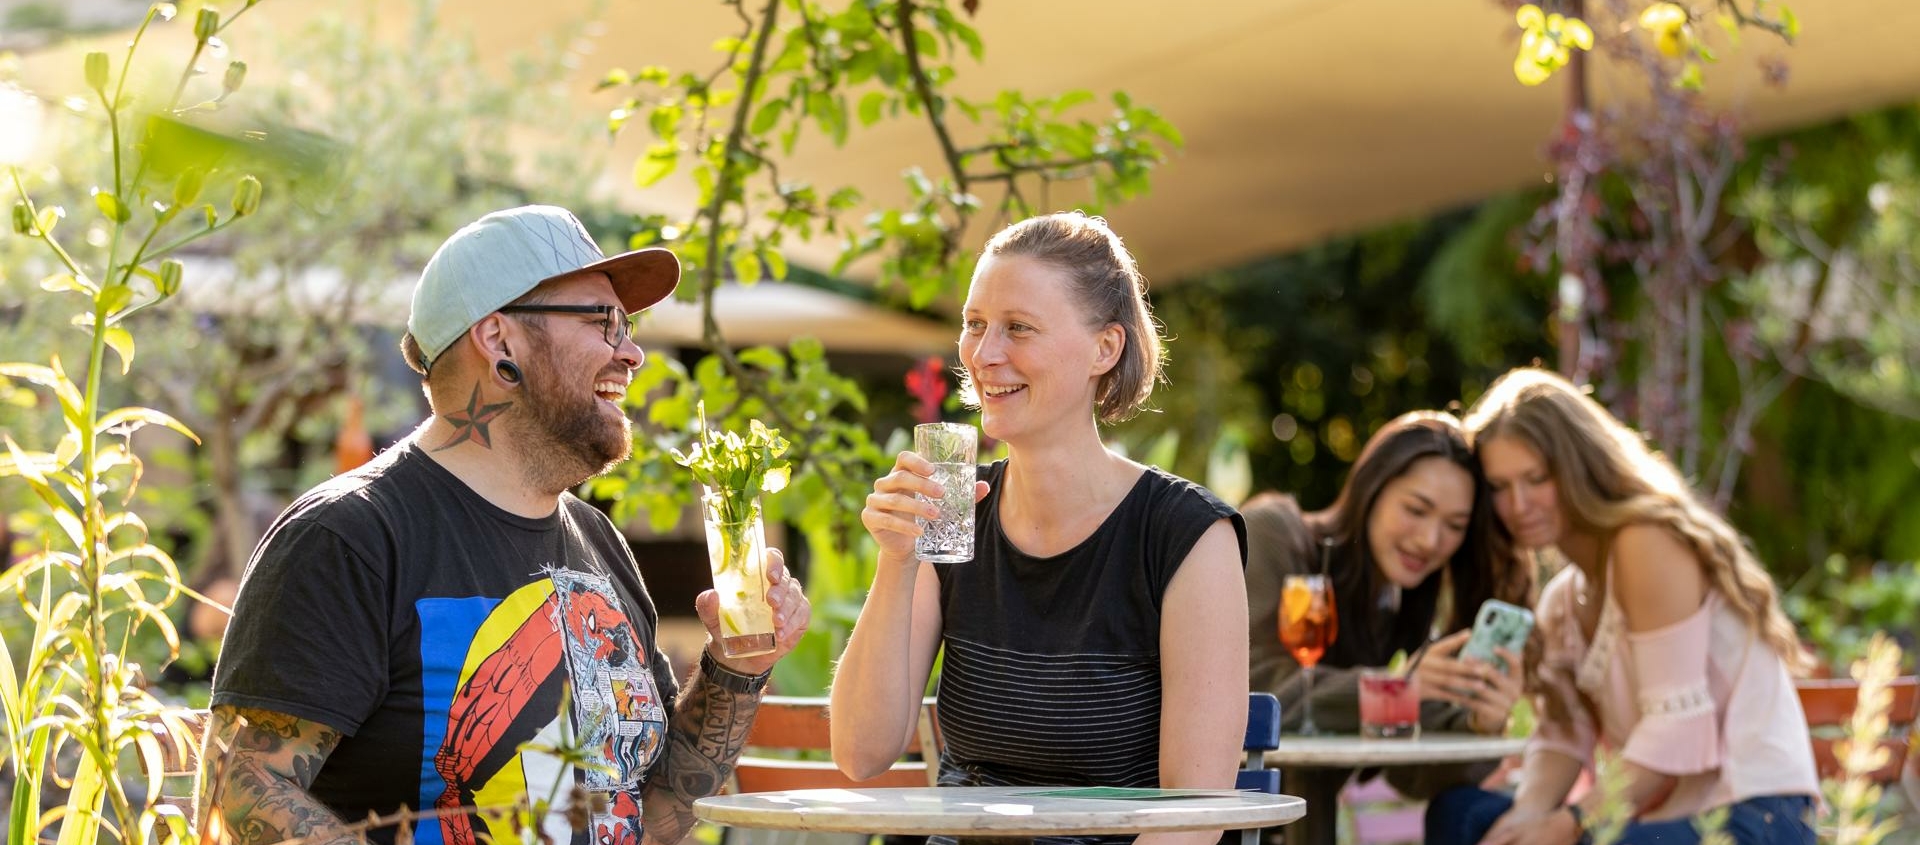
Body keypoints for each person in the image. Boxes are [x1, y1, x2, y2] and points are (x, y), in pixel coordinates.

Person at [202, 205, 811, 845]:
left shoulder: (599, 544)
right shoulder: (349, 538)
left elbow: (652, 815)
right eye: (603, 321)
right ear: (499, 340)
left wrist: (738, 667)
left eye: (627, 325)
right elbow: (237, 790)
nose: (631, 352)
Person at [829, 212, 1250, 845]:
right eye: (975, 325)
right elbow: (861, 752)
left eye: (1018, 327)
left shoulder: (1185, 537)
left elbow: (1189, 823)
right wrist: (897, 561)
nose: (983, 353)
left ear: (1105, 349)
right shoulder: (954, 511)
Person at [1428, 367, 1818, 845]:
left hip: (1751, 813)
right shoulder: (1564, 601)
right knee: (1460, 814)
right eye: (1499, 487)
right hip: (1654, 819)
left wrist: (1566, 826)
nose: (1518, 504)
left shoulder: (1646, 540)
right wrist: (1526, 818)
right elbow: (1562, 734)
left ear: (1578, 466)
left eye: (1536, 478)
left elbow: (1677, 729)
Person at [1243, 411, 1532, 845]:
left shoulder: (1395, 602)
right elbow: (1258, 697)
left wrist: (1481, 722)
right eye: (1416, 510)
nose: (1430, 540)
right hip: (1212, 820)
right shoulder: (1274, 534)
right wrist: (1395, 689)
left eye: (1454, 526)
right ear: (1372, 489)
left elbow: (1409, 776)